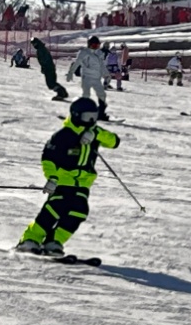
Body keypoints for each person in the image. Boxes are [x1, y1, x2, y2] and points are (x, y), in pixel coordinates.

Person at [17, 97, 119, 256]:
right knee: (54, 209)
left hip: (83, 183)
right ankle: (30, 239)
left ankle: (54, 241)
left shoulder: (95, 132)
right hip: (62, 180)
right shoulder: (64, 135)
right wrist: (52, 178)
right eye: (87, 117)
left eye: (94, 116)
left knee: (79, 211)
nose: (91, 121)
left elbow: (114, 142)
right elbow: (48, 159)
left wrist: (96, 135)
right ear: (77, 115)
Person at [67, 36, 110, 114]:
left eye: (97, 46)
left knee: (102, 94)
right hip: (87, 77)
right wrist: (71, 72)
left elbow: (102, 66)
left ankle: (101, 112)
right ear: (89, 44)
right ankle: (82, 111)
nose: (95, 47)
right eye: (94, 45)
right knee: (86, 94)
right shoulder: (84, 53)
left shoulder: (99, 54)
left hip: (96, 78)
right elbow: (77, 62)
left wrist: (107, 75)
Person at [32, 36, 69, 100]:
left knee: (50, 83)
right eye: (33, 44)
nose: (34, 45)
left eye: (34, 43)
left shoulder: (41, 49)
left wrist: (44, 67)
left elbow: (45, 60)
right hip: (49, 67)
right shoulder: (41, 48)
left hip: (48, 68)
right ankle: (63, 92)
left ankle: (61, 93)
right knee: (52, 82)